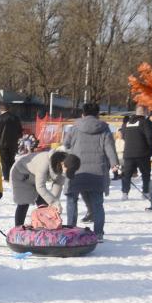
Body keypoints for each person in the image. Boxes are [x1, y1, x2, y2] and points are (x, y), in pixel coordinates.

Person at [61, 103, 118, 241]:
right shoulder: (104, 128)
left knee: (72, 200)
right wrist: (114, 164)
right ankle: (98, 233)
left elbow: (66, 144)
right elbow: (109, 148)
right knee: (97, 203)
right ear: (97, 114)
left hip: (76, 169)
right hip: (97, 171)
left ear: (83, 114)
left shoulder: (75, 127)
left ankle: (71, 230)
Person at [10, 151, 80, 227]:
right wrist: (54, 202)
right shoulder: (44, 162)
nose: (66, 172)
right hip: (21, 174)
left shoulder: (63, 167)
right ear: (63, 164)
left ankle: (44, 227)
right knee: (24, 202)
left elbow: (58, 184)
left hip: (35, 177)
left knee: (44, 205)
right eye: (67, 170)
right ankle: (18, 229)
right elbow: (40, 187)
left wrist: (53, 205)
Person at [120, 105, 152, 203]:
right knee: (145, 174)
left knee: (126, 174)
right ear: (145, 112)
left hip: (128, 153)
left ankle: (125, 193)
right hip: (142, 153)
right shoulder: (145, 122)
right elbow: (149, 137)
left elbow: (123, 135)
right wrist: (151, 150)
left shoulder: (127, 122)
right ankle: (145, 192)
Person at [0, 104, 22, 181]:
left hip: (2, 144)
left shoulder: (0, 119)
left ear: (1, 110)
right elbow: (20, 132)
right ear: (9, 109)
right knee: (12, 160)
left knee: (4, 162)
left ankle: (7, 177)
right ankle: (13, 176)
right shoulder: (16, 118)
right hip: (13, 144)